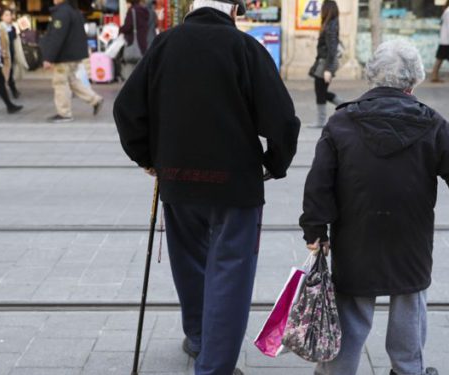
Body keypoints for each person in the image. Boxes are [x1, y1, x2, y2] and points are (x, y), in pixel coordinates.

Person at [113, 0, 301, 374]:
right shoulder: (246, 48)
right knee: (230, 274)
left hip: (178, 181)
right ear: (233, 10)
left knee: (189, 263)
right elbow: (282, 121)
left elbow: (126, 109)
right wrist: (273, 164)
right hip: (235, 186)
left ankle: (199, 336)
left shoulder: (165, 44)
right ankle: (213, 366)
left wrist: (147, 157)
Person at [300, 39, 449, 375]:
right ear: (414, 80)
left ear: (372, 76)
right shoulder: (430, 122)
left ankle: (336, 371)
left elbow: (319, 181)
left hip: (356, 232)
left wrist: (315, 228)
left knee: (351, 304)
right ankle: (407, 369)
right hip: (410, 234)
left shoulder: (341, 122)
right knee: (409, 300)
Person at [40, 0, 104, 123]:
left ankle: (64, 113)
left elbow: (56, 37)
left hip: (64, 56)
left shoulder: (61, 13)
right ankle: (95, 100)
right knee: (72, 81)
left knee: (60, 83)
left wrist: (49, 57)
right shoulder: (74, 11)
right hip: (73, 55)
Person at [308, 0, 343, 128]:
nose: (320, 10)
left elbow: (332, 48)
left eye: (322, 8)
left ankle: (321, 121)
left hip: (326, 63)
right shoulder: (330, 23)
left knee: (320, 90)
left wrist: (328, 69)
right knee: (321, 91)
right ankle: (344, 106)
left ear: (327, 9)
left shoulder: (331, 26)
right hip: (323, 62)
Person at [0, 8, 28, 99]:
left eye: (10, 15)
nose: (8, 17)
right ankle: (13, 91)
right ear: (1, 17)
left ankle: (0, 88)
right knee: (8, 73)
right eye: (6, 15)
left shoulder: (13, 28)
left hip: (11, 53)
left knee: (7, 72)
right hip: (3, 54)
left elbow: (15, 40)